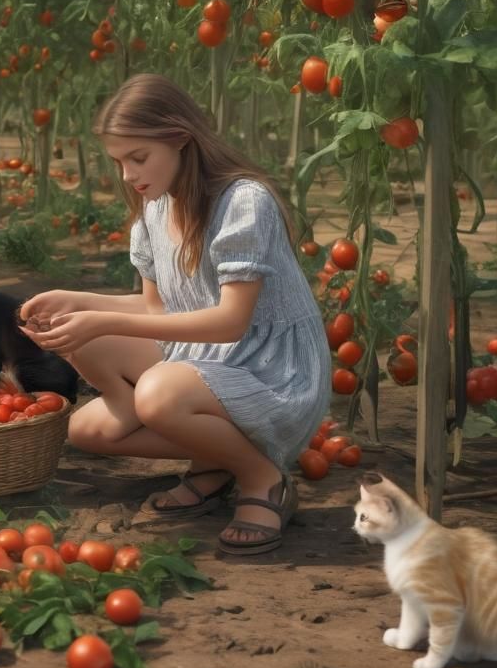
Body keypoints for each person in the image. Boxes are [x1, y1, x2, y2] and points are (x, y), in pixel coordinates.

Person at [19, 73, 331, 555]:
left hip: (271, 370)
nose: (128, 174)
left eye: (138, 157)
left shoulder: (242, 201)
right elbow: (156, 308)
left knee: (157, 395)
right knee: (86, 428)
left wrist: (103, 319)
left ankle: (262, 477)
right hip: (204, 357)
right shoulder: (155, 208)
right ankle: (216, 459)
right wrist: (77, 300)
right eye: (119, 162)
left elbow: (230, 321)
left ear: (180, 139)